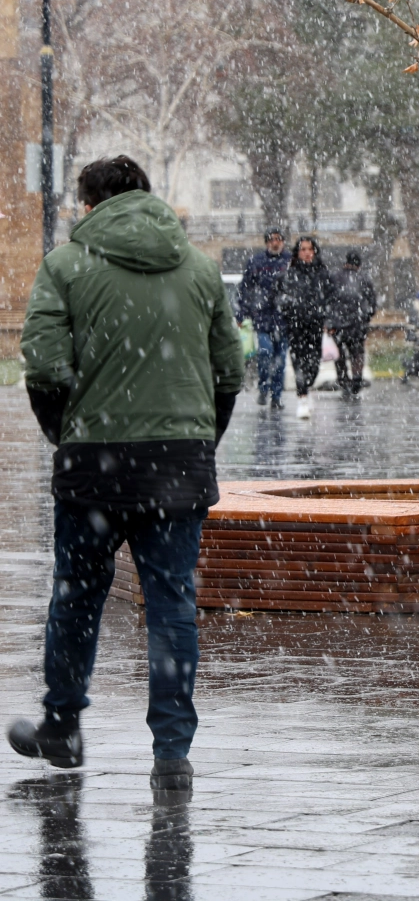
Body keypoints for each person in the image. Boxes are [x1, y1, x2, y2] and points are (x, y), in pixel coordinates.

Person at [13, 156, 244, 791]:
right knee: (172, 605)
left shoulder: (65, 267)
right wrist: (199, 439)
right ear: (145, 196)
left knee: (77, 597)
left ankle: (61, 724)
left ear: (89, 205)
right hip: (179, 464)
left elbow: (43, 366)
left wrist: (71, 434)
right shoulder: (197, 268)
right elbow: (230, 371)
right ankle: (172, 752)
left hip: (95, 465)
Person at [276, 236, 333, 419]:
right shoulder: (290, 273)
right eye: (303, 249)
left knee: (314, 365)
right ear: (297, 252)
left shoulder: (322, 273)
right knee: (298, 361)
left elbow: (331, 298)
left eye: (310, 249)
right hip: (296, 325)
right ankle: (302, 397)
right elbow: (279, 296)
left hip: (315, 325)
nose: (307, 253)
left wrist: (328, 320)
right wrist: (288, 307)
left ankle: (306, 388)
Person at [235, 228, 290, 408]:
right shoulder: (256, 262)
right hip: (263, 318)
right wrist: (242, 313)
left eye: (279, 239)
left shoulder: (290, 261)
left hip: (283, 319)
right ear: (267, 242)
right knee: (265, 353)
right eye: (272, 239)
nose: (276, 242)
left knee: (280, 360)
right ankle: (264, 386)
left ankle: (276, 395)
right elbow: (245, 289)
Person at [327, 249, 378, 400]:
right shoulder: (364, 279)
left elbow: (327, 300)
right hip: (358, 323)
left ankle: (344, 381)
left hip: (338, 324)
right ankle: (356, 378)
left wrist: (330, 321)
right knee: (357, 352)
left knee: (340, 354)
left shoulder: (335, 278)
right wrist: (366, 317)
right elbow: (372, 303)